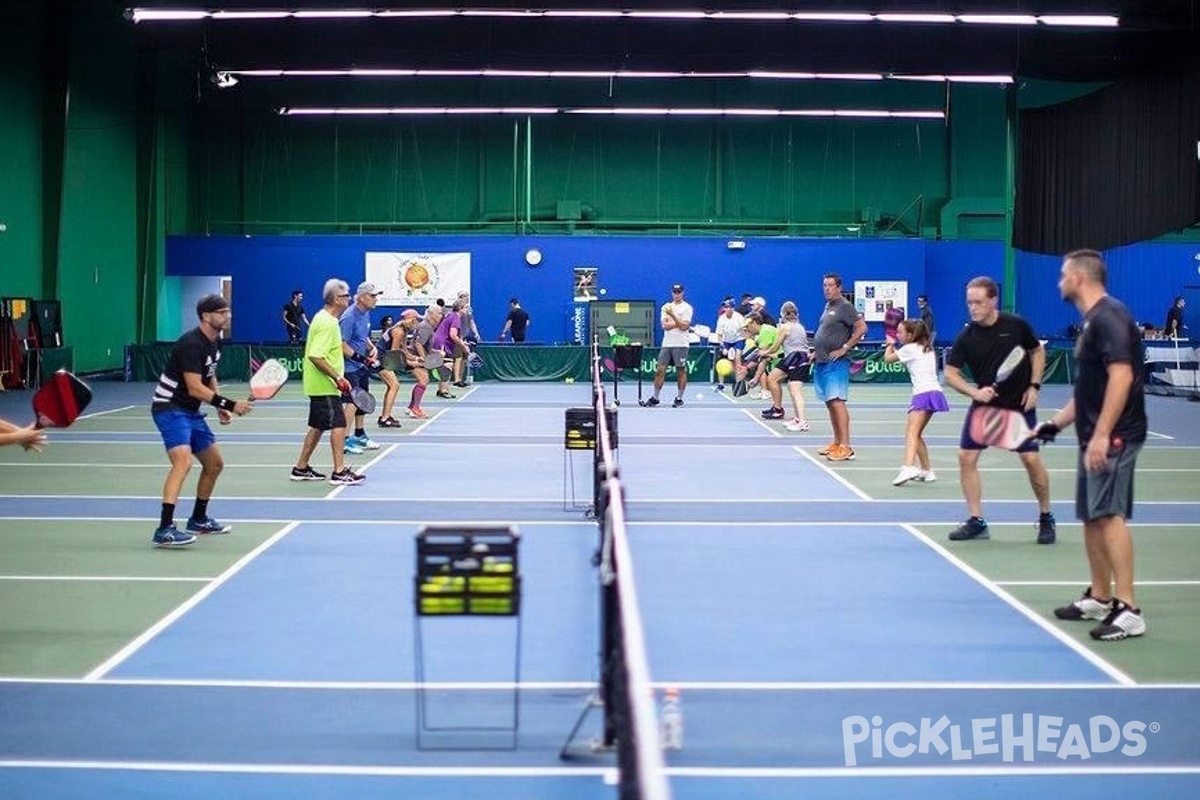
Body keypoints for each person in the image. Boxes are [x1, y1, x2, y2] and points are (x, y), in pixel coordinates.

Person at [1033, 250, 1148, 640]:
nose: (1059, 282)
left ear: (1080, 278)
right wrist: (1053, 424)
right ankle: (1100, 596)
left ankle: (1129, 608)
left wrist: (1101, 434)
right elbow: (1088, 390)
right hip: (1093, 433)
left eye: (1063, 275)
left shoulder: (1110, 316)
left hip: (1114, 435)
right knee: (1091, 515)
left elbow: (1121, 377)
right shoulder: (1091, 322)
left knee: (1109, 513)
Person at [943, 276, 1055, 544]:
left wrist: (1035, 386)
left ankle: (1046, 516)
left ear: (993, 300)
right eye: (969, 302)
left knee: (1030, 460)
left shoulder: (1015, 325)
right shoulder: (967, 336)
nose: (973, 307)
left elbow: (1036, 352)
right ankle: (976, 521)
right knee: (966, 457)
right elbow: (950, 373)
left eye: (978, 302)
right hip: (985, 406)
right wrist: (974, 392)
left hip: (1019, 404)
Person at [150, 294, 253, 548]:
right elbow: (195, 388)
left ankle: (198, 518)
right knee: (182, 463)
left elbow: (209, 375)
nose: (227, 316)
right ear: (206, 316)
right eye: (221, 312)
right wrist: (229, 404)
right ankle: (164, 528)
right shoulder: (190, 343)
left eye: (228, 312)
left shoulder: (215, 342)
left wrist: (218, 406)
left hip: (191, 411)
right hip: (169, 408)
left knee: (214, 464)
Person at [290, 279, 365, 486]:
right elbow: (316, 356)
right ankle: (339, 472)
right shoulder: (327, 322)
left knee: (317, 426)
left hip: (320, 384)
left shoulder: (323, 319)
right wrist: (337, 377)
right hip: (325, 386)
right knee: (339, 424)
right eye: (345, 296)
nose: (349, 299)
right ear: (335, 299)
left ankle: (301, 468)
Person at [883, 319, 948, 485]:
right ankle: (927, 471)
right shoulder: (926, 348)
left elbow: (888, 359)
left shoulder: (910, 348)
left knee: (911, 432)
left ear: (911, 335)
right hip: (935, 392)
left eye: (900, 333)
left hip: (923, 394)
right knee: (916, 433)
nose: (898, 335)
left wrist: (890, 344)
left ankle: (909, 466)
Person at [812, 273, 866, 462]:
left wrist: (845, 348)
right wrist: (815, 351)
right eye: (824, 285)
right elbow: (826, 333)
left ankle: (846, 446)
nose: (826, 288)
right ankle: (836, 442)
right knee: (830, 403)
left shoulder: (845, 306)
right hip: (822, 361)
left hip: (836, 364)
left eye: (830, 285)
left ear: (839, 287)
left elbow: (861, 328)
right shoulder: (828, 306)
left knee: (837, 402)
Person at [339, 282, 384, 455]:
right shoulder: (349, 316)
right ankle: (344, 441)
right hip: (349, 367)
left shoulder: (365, 314)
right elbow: (341, 344)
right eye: (373, 296)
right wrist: (362, 359)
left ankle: (359, 435)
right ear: (362, 297)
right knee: (352, 403)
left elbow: (361, 337)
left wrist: (371, 347)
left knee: (362, 400)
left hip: (360, 365)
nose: (376, 299)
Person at [757, 301, 810, 432]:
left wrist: (765, 352)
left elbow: (776, 346)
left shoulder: (785, 327)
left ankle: (802, 421)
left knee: (795, 391)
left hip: (796, 358)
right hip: (794, 357)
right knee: (773, 378)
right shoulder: (800, 326)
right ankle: (783, 411)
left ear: (783, 314)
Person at [641, 283, 693, 407]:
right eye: (675, 292)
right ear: (672, 293)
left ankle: (679, 398)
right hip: (667, 344)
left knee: (681, 370)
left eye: (679, 292)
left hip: (681, 344)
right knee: (660, 370)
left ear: (683, 293)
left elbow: (685, 326)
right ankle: (655, 398)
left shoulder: (687, 308)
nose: (677, 294)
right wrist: (679, 323)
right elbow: (665, 326)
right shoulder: (666, 307)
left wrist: (674, 317)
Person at [712, 299, 745, 391]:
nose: (725, 309)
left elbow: (744, 331)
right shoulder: (721, 318)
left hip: (738, 340)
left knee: (737, 359)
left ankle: (739, 384)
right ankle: (721, 384)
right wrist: (723, 347)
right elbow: (719, 335)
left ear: (732, 308)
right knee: (721, 361)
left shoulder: (739, 318)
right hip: (726, 341)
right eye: (724, 307)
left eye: (728, 307)